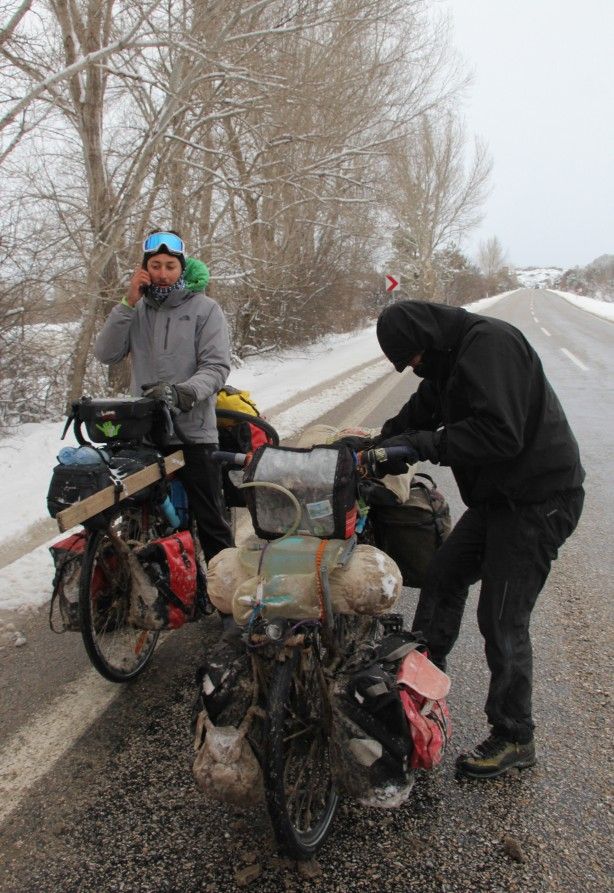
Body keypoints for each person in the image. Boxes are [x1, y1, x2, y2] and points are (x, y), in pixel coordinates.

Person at [374, 300, 584, 779]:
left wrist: (426, 446)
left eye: (412, 358)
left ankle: (515, 736)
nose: (413, 368)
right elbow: (416, 418)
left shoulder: (490, 345)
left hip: (538, 501)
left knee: (503, 618)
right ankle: (420, 684)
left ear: (429, 337)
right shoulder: (446, 363)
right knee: (443, 575)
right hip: (498, 500)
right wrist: (375, 447)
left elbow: (499, 434)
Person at [94, 229, 234, 565]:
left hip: (192, 430)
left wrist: (185, 392)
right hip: (145, 431)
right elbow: (106, 353)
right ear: (144, 268)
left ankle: (227, 603)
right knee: (135, 509)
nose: (162, 273)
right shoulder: (136, 310)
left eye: (170, 265)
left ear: (181, 268)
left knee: (211, 519)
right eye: (155, 265)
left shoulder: (205, 309)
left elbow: (216, 367)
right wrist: (128, 302)